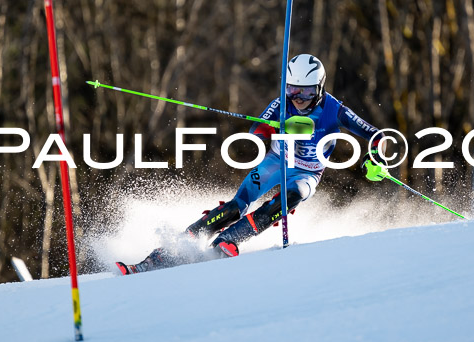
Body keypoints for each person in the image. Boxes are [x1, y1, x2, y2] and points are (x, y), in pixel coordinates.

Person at [117, 54, 386, 275]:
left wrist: (375, 157)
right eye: (293, 89)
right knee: (238, 204)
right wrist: (272, 129)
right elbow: (257, 130)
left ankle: (230, 239)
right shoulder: (282, 104)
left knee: (291, 197)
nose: (298, 97)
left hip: (307, 172)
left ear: (320, 87)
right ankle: (170, 250)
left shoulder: (335, 110)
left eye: (305, 91)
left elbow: (377, 135)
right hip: (276, 161)